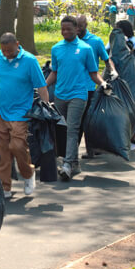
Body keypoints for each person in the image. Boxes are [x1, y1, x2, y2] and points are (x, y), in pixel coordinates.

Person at [45, 16, 109, 181]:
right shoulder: (56, 48)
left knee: (72, 128)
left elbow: (93, 74)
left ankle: (67, 165)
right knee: (60, 129)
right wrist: (43, 86)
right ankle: (74, 164)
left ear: (76, 29)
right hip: (60, 95)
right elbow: (55, 72)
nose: (65, 32)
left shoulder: (85, 48)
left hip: (78, 95)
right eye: (63, 29)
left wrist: (103, 84)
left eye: (69, 29)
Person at [0, 33, 49, 198]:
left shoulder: (30, 61)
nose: (6, 54)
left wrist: (45, 107)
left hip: (20, 112)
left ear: (17, 44)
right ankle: (5, 187)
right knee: (3, 152)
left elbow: (41, 86)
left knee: (17, 147)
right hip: (1, 110)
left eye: (9, 51)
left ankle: (28, 173)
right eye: (3, 51)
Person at [77, 14, 118, 159]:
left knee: (88, 121)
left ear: (86, 25)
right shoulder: (69, 41)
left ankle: (90, 150)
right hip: (71, 87)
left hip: (88, 87)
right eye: (75, 26)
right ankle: (71, 153)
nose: (77, 30)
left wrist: (113, 72)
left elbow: (107, 60)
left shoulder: (95, 41)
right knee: (75, 122)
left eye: (79, 27)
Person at [107, 19, 135, 150]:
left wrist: (126, 43)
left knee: (131, 106)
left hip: (132, 78)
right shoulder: (112, 41)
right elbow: (108, 54)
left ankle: (132, 139)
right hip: (116, 76)